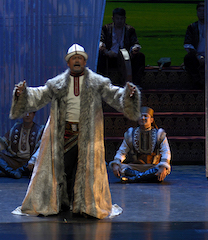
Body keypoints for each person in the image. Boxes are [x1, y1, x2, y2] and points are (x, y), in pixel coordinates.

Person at [10, 43, 140, 219]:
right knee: (63, 170)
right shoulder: (57, 84)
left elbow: (114, 94)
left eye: (80, 58)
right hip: (63, 134)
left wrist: (128, 95)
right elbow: (39, 94)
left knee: (86, 171)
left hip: (88, 135)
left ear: (85, 62)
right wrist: (23, 93)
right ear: (68, 63)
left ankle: (85, 206)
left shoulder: (97, 83)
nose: (77, 61)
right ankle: (61, 203)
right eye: (74, 59)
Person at [109, 106, 171, 183]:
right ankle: (146, 177)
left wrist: (163, 166)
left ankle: (133, 178)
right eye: (140, 116)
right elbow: (122, 151)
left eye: (146, 116)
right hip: (135, 166)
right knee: (120, 168)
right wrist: (116, 163)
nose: (143, 118)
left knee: (163, 169)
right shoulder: (131, 134)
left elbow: (166, 151)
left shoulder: (159, 134)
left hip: (153, 166)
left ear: (151, 120)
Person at [0, 111, 44, 179]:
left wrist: (33, 159)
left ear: (34, 114)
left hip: (30, 161)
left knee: (41, 161)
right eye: (25, 112)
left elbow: (42, 147)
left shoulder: (39, 130)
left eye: (30, 113)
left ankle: (10, 172)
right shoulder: (16, 128)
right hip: (16, 161)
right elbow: (3, 142)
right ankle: (13, 172)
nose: (27, 115)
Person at [98, 7, 145, 86]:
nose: (119, 21)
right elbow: (101, 41)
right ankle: (102, 83)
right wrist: (106, 51)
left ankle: (135, 83)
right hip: (110, 57)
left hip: (126, 58)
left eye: (121, 19)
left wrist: (134, 50)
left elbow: (135, 43)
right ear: (113, 19)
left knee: (140, 57)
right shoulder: (106, 28)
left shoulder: (130, 30)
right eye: (117, 18)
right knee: (99, 56)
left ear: (125, 19)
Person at [184, 1, 205, 88]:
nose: (202, 13)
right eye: (199, 11)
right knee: (188, 58)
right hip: (197, 55)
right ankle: (198, 82)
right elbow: (187, 44)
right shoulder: (192, 27)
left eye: (204, 11)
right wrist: (197, 55)